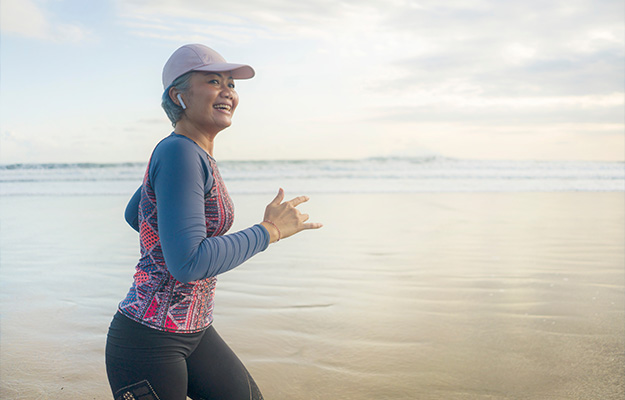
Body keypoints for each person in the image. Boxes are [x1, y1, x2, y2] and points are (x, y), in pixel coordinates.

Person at [105, 44, 322, 400]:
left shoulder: (191, 152)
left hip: (196, 330)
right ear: (179, 96)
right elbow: (188, 263)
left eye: (231, 84)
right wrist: (270, 231)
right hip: (148, 342)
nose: (228, 92)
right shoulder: (179, 152)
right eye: (213, 81)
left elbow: (138, 214)